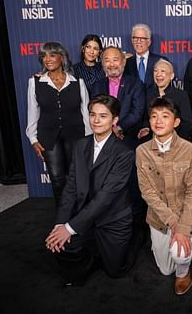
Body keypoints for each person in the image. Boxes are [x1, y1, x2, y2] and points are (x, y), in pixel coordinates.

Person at [45, 94, 140, 286]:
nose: (96, 120)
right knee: (60, 245)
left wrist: (70, 228)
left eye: (103, 116)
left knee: (114, 271)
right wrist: (60, 224)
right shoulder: (80, 145)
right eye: (92, 114)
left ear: (114, 120)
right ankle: (92, 252)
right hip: (86, 215)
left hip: (113, 220)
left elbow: (104, 198)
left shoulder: (125, 153)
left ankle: (137, 234)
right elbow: (71, 187)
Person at [137, 98, 192, 295]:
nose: (158, 121)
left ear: (176, 122)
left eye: (165, 116)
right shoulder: (142, 151)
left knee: (179, 254)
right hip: (158, 218)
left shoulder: (190, 149)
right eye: (154, 117)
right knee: (166, 270)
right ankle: (162, 245)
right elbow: (147, 192)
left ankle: (184, 272)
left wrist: (182, 227)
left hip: (185, 215)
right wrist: (173, 223)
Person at [26, 41, 91, 207]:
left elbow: (85, 113)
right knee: (56, 177)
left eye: (52, 55)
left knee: (74, 176)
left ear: (62, 58)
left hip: (75, 135)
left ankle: (78, 213)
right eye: (44, 56)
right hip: (48, 136)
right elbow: (33, 114)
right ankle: (63, 215)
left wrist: (89, 139)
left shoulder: (78, 82)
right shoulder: (35, 83)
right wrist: (33, 139)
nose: (47, 59)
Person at [89, 46, 145, 150]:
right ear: (102, 64)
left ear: (123, 62)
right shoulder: (97, 85)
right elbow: (94, 110)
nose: (111, 64)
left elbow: (137, 112)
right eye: (107, 60)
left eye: (115, 60)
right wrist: (108, 129)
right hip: (102, 138)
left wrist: (119, 127)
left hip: (127, 137)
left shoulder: (135, 84)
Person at [138, 59, 192, 142]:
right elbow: (146, 118)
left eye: (163, 71)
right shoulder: (149, 95)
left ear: (171, 76)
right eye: (155, 71)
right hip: (152, 142)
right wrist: (146, 128)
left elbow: (187, 123)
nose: (158, 74)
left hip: (176, 142)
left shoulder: (181, 95)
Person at [124, 23, 168, 92]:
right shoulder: (126, 63)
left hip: (155, 101)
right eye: (135, 38)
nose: (138, 42)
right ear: (132, 41)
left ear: (149, 42)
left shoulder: (160, 61)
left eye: (142, 39)